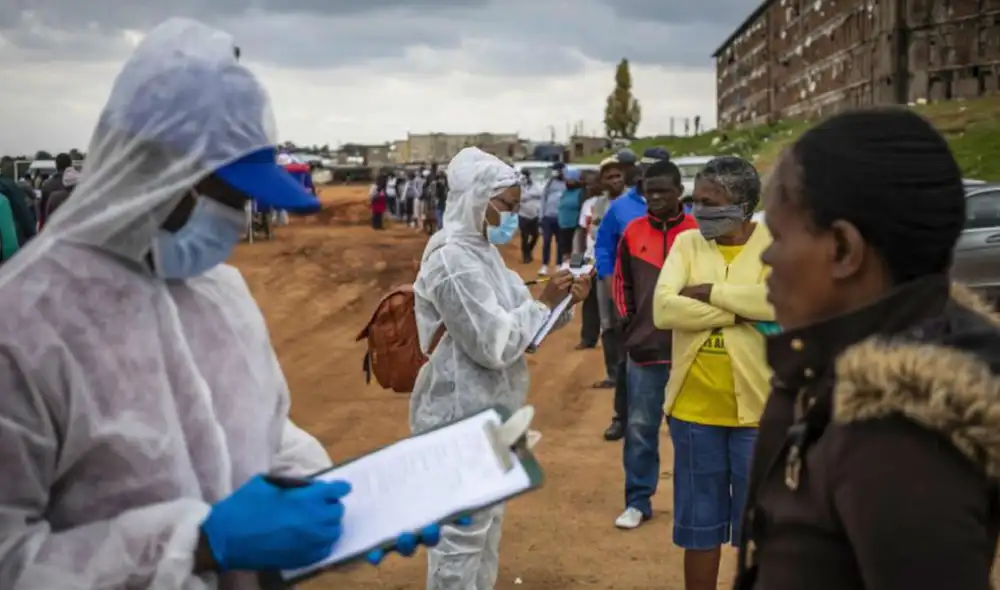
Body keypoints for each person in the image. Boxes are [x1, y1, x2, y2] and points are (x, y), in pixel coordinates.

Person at [0, 19, 441, 588]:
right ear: (159, 178)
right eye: (228, 197)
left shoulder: (221, 294)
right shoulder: (24, 325)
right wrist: (199, 545)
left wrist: (347, 503)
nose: (236, 221)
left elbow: (267, 431)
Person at [736, 109, 1000, 590]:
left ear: (843, 248)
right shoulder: (834, 371)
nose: (767, 257)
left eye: (777, 235)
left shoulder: (898, 442)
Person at [412, 147, 591, 590]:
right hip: (458, 416)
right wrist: (543, 303)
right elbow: (492, 344)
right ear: (478, 199)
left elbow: (525, 328)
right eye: (507, 206)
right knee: (459, 538)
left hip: (495, 412)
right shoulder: (450, 260)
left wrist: (563, 301)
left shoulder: (483, 253)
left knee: (487, 529)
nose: (513, 216)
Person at [652, 156, 773, 590]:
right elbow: (664, 310)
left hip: (759, 414)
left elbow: (779, 302)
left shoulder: (775, 244)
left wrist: (708, 292)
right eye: (696, 201)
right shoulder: (687, 244)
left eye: (710, 202)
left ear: (743, 206)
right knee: (699, 530)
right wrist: (739, 312)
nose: (698, 210)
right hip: (694, 413)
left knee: (760, 532)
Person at [612, 160, 697, 529]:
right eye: (650, 192)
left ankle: (694, 503)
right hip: (644, 351)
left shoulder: (698, 232)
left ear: (680, 191)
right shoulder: (632, 232)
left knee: (692, 432)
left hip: (690, 350)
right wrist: (631, 324)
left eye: (664, 191)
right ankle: (637, 501)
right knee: (640, 429)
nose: (656, 198)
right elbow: (622, 284)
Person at [596, 147, 670, 441]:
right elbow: (603, 249)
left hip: (672, 298)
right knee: (628, 359)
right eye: (648, 169)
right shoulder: (620, 208)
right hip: (631, 298)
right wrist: (613, 291)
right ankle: (622, 418)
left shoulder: (684, 211)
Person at [538, 162, 566, 275]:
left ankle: (559, 264)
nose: (554, 172)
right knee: (546, 241)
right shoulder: (550, 182)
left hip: (561, 218)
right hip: (548, 217)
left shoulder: (567, 183)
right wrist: (541, 216)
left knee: (561, 242)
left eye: (556, 170)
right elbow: (543, 199)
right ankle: (544, 265)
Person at [556, 167, 584, 264]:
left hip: (576, 227)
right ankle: (566, 269)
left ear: (575, 180)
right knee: (565, 253)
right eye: (566, 179)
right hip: (563, 227)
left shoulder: (581, 193)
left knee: (577, 252)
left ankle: (576, 269)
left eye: (570, 179)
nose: (567, 181)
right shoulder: (565, 192)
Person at [39, 152, 73, 228]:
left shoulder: (47, 185)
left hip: (53, 227)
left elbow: (42, 212)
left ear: (56, 165)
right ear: (70, 165)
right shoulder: (77, 184)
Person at [518, 168, 542, 263]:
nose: (523, 179)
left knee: (536, 235)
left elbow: (541, 193)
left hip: (534, 215)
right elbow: (520, 198)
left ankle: (529, 250)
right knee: (525, 236)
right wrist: (529, 196)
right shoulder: (519, 186)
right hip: (523, 215)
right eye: (522, 178)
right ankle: (526, 256)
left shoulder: (535, 185)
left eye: (525, 177)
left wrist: (529, 196)